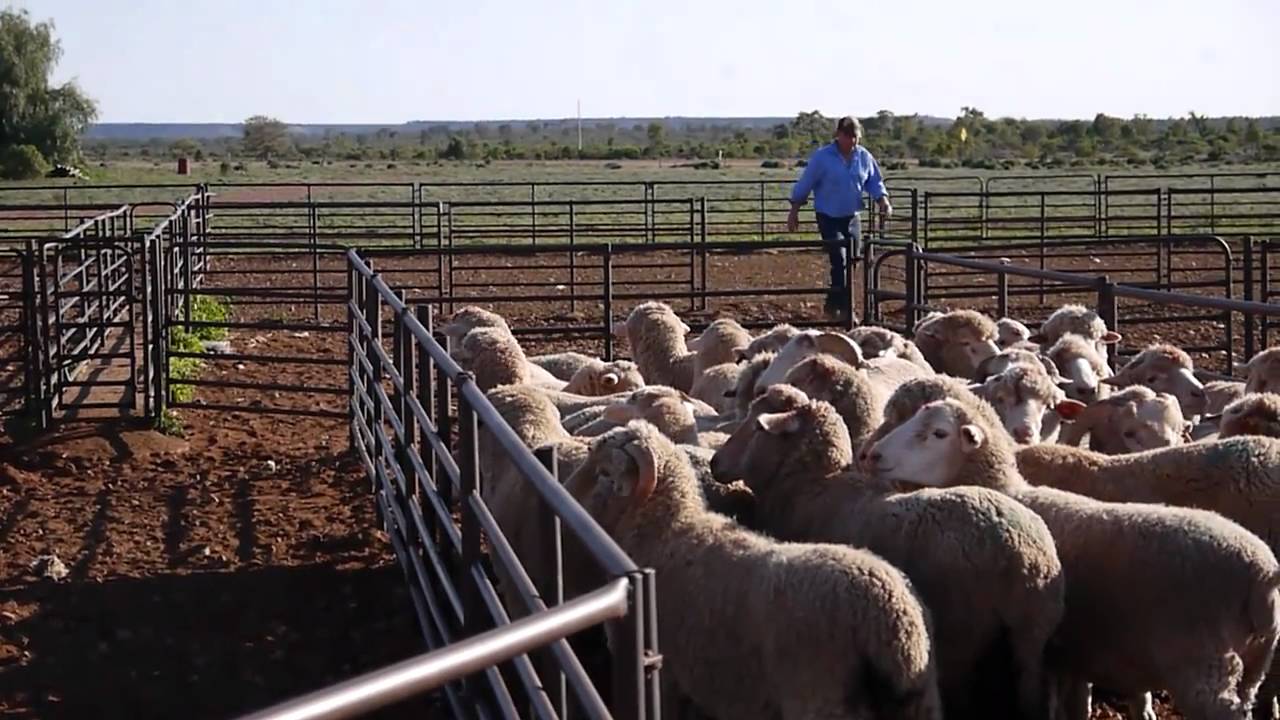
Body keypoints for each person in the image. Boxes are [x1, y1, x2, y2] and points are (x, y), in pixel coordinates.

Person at [786, 116, 892, 321]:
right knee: (840, 259)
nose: (852, 141)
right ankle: (846, 310)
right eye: (848, 136)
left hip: (852, 217)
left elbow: (874, 182)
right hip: (828, 216)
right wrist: (794, 210)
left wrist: (883, 201)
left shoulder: (863, 156)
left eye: (856, 136)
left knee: (852, 261)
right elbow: (806, 183)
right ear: (839, 135)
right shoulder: (822, 157)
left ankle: (833, 302)